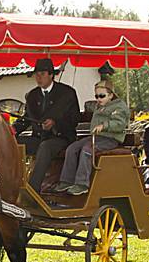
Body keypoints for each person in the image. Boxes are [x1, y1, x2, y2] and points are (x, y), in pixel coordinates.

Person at [51, 80, 130, 195]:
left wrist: (104, 126)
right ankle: (66, 181)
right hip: (97, 137)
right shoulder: (100, 106)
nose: (98, 99)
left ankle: (82, 184)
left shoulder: (119, 107)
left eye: (102, 96)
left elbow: (119, 123)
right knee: (72, 148)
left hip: (111, 139)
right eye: (96, 96)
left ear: (111, 95)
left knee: (87, 150)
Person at [19, 58, 81, 192]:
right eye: (36, 74)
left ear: (51, 75)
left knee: (45, 147)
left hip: (61, 138)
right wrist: (10, 131)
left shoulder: (67, 93)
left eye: (42, 74)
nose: (38, 77)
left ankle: (32, 191)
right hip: (39, 138)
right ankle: (11, 183)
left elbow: (74, 119)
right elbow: (26, 119)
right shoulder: (32, 96)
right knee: (13, 142)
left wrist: (55, 124)